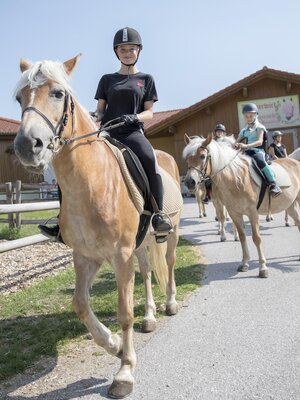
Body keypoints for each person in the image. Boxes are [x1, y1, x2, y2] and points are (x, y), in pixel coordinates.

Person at [234, 103, 282, 196]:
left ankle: (273, 183)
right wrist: (236, 145)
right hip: (247, 152)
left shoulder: (260, 127)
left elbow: (260, 142)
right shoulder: (244, 130)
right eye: (246, 116)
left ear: (256, 115)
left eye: (251, 116)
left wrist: (246, 146)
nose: (248, 118)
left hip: (258, 151)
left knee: (260, 161)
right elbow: (237, 141)